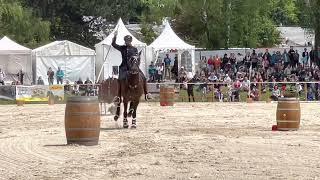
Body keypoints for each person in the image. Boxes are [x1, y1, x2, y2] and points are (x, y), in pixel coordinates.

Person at [112, 31, 151, 100]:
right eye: (126, 41)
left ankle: (146, 93)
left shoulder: (134, 49)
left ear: (131, 41)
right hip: (123, 67)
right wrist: (115, 36)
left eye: (128, 41)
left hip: (133, 67)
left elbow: (136, 57)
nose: (127, 42)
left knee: (144, 77)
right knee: (120, 79)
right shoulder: (122, 48)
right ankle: (118, 96)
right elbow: (113, 44)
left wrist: (135, 62)